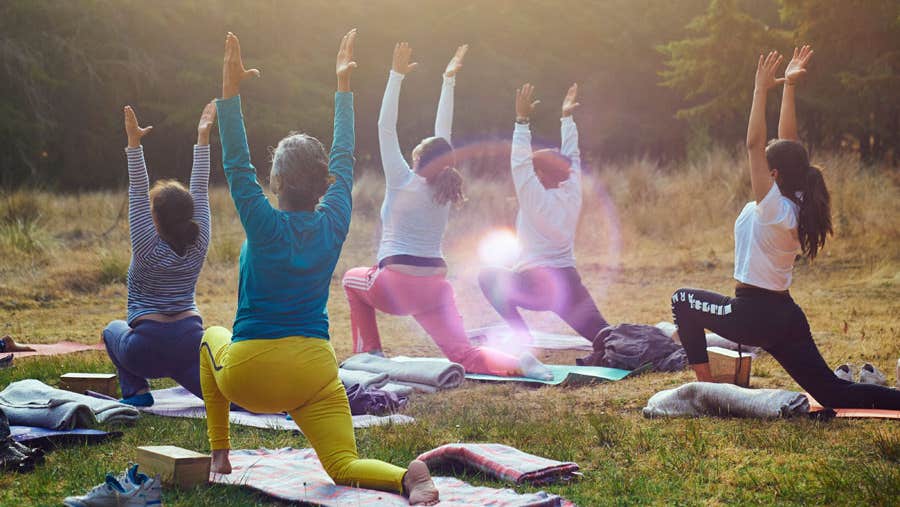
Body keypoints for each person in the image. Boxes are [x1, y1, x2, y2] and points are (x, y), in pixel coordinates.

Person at [198, 31, 439, 504]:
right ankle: (406, 478)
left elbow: (236, 163)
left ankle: (219, 453)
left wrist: (230, 92)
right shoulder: (333, 222)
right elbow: (345, 159)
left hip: (251, 376)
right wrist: (343, 89)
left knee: (210, 335)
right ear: (323, 181)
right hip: (314, 370)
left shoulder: (263, 222)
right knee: (342, 466)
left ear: (278, 180)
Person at [670, 46, 900, 409]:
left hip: (752, 315)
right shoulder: (795, 199)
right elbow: (787, 142)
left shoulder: (774, 207)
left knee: (681, 300)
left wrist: (760, 90)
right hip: (784, 316)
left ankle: (709, 392)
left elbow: (753, 144)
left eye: (766, 164)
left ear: (773, 173)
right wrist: (789, 87)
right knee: (833, 393)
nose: (760, 164)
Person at [342, 43, 552, 380]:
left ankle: (370, 353)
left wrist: (395, 75)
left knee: (351, 280)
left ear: (417, 157)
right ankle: (522, 363)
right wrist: (448, 81)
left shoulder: (402, 180)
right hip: (436, 288)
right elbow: (444, 134)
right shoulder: (444, 188)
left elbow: (385, 126)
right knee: (463, 354)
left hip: (394, 285)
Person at [100, 100, 215, 406]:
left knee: (111, 330)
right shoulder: (199, 240)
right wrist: (203, 139)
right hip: (191, 343)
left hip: (146, 349)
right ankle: (271, 402)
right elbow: (201, 189)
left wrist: (134, 143)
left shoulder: (146, 245)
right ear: (189, 214)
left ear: (155, 218)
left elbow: (138, 190)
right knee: (225, 397)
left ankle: (137, 393)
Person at [478, 83, 610, 346]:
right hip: (569, 286)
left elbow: (519, 164)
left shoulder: (534, 199)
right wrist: (567, 119)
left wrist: (522, 121)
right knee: (607, 337)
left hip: (534, 286)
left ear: (540, 175)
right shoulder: (572, 191)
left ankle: (521, 336)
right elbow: (572, 155)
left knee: (487, 276)